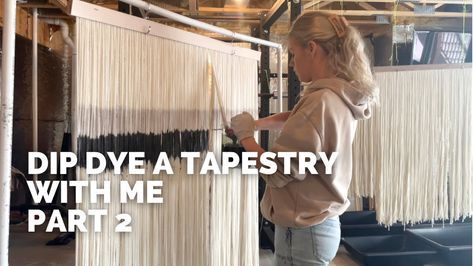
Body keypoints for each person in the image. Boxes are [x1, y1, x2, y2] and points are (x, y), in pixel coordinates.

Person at [229, 11, 378, 266]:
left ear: (312, 49)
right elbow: (299, 119)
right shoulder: (338, 95)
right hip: (318, 226)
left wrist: (245, 137)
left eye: (293, 54)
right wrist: (255, 124)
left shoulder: (320, 102)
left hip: (304, 233)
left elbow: (276, 171)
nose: (291, 63)